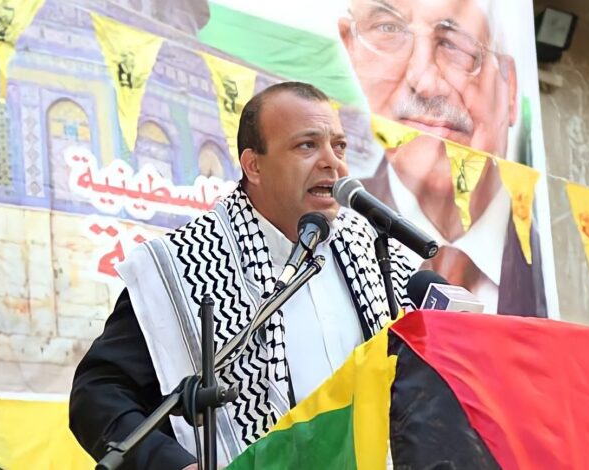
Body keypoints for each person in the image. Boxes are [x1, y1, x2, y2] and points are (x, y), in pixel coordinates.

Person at [69, 82, 415, 469]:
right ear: (254, 166)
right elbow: (97, 394)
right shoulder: (187, 263)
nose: (332, 163)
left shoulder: (371, 251)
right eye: (307, 145)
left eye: (339, 146)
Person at [339, 0, 546, 316]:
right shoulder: (328, 242)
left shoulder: (560, 263)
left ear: (510, 88)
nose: (424, 84)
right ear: (351, 47)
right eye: (388, 29)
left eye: (455, 46)